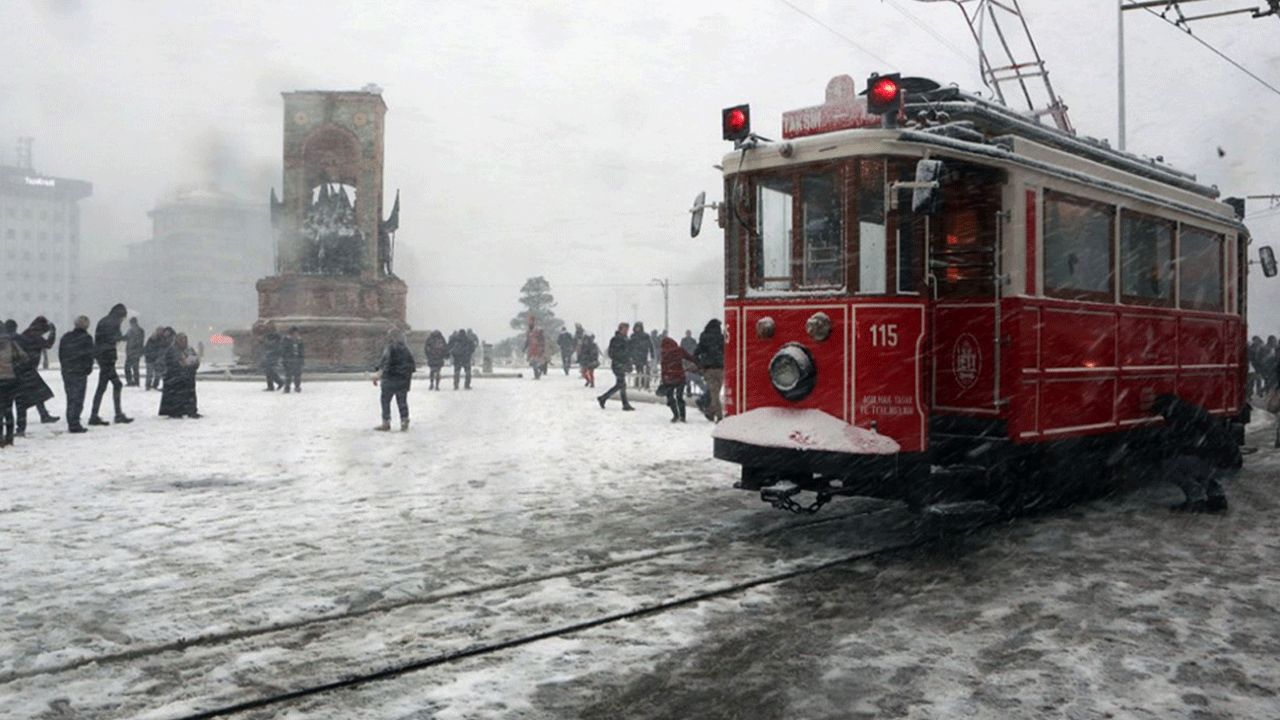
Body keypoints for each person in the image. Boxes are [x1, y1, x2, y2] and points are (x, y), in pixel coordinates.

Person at [1150, 393, 1238, 513]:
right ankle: (1217, 500)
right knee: (1199, 467)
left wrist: (1162, 451)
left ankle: (1195, 501)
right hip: (1232, 460)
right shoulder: (1191, 412)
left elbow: (1185, 446)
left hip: (1219, 461)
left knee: (1169, 466)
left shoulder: (1182, 419)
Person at [13, 316, 59, 435]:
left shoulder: (26, 334)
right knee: (35, 393)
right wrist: (53, 333)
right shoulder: (35, 337)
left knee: (36, 392)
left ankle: (43, 415)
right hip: (28, 369)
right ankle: (41, 416)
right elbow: (48, 345)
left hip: (22, 368)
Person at [89, 303, 133, 426]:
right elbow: (113, 338)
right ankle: (116, 414)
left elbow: (102, 338)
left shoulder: (103, 321)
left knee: (103, 386)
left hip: (102, 356)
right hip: (107, 357)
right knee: (115, 385)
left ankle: (95, 414)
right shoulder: (113, 322)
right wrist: (124, 337)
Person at [58, 316, 95, 433]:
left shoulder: (66, 337)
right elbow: (89, 355)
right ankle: (74, 422)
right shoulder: (86, 338)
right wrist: (87, 368)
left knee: (70, 396)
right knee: (78, 397)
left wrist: (65, 365)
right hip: (79, 371)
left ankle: (71, 420)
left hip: (68, 370)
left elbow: (61, 353)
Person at [373, 327, 416, 431]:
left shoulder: (390, 348)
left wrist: (378, 373)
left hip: (390, 380)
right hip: (403, 381)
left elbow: (385, 363)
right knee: (402, 401)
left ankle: (386, 422)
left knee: (385, 401)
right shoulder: (406, 350)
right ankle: (404, 419)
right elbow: (412, 366)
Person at [158, 333, 201, 418]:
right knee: (176, 396)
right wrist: (179, 364)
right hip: (175, 377)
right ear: (177, 340)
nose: (184, 341)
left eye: (185, 339)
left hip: (188, 377)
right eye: (181, 339)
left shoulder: (190, 350)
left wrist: (194, 363)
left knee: (189, 395)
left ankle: (190, 410)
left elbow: (195, 360)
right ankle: (175, 412)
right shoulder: (171, 350)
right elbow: (168, 363)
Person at [0, 321, 28, 448]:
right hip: (11, 380)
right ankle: (9, 437)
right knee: (8, 409)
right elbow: (24, 357)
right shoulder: (11, 344)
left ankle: (0, 437)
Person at [597, 322, 635, 411]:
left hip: (623, 364)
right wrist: (620, 359)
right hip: (617, 364)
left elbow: (628, 353)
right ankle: (604, 398)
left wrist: (628, 361)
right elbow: (612, 353)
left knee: (621, 384)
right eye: (624, 329)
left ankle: (623, 403)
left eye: (627, 329)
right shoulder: (615, 340)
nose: (626, 331)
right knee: (621, 384)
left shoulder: (626, 340)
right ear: (620, 329)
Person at [659, 335, 697, 423]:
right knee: (679, 397)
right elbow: (690, 357)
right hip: (680, 377)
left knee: (670, 397)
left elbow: (663, 368)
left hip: (669, 378)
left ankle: (675, 415)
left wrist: (664, 380)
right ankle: (683, 416)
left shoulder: (664, 353)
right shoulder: (679, 350)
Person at [694, 318, 726, 422]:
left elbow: (697, 351)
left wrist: (699, 363)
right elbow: (724, 350)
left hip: (709, 368)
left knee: (714, 393)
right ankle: (715, 414)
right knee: (716, 392)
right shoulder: (721, 337)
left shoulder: (704, 336)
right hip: (720, 367)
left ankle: (713, 413)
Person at [680, 329, 706, 396]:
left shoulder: (686, 340)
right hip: (688, 359)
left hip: (688, 359)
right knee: (689, 375)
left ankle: (689, 390)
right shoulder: (687, 340)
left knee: (688, 374)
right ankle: (689, 390)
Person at [629, 321, 652, 389]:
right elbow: (630, 345)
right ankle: (639, 382)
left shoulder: (645, 336)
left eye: (639, 327)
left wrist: (651, 353)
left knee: (642, 370)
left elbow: (650, 345)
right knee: (638, 369)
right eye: (636, 327)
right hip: (635, 355)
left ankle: (642, 382)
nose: (637, 329)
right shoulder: (633, 336)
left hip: (643, 355)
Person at [281, 326, 305, 393]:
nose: (296, 335)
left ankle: (297, 386)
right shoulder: (286, 341)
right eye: (294, 334)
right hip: (289, 360)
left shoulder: (299, 341)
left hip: (297, 359)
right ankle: (287, 387)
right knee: (288, 375)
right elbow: (283, 351)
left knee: (297, 375)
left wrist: (302, 358)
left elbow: (301, 350)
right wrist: (284, 359)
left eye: (296, 334)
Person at [143, 326, 167, 391]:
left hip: (158, 359)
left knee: (157, 374)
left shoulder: (164, 340)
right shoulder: (152, 339)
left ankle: (154, 385)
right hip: (151, 359)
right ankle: (148, 386)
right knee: (150, 374)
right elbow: (147, 348)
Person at [123, 317, 145, 387]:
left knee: (135, 368)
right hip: (130, 352)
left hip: (135, 353)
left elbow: (139, 342)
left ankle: (136, 382)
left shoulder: (140, 331)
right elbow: (126, 338)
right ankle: (130, 381)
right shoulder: (130, 331)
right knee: (127, 367)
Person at [262, 324, 284, 392]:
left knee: (270, 371)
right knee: (269, 371)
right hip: (270, 355)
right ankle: (273, 384)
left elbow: (271, 344)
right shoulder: (270, 335)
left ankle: (277, 383)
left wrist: (264, 341)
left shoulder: (275, 336)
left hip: (273, 355)